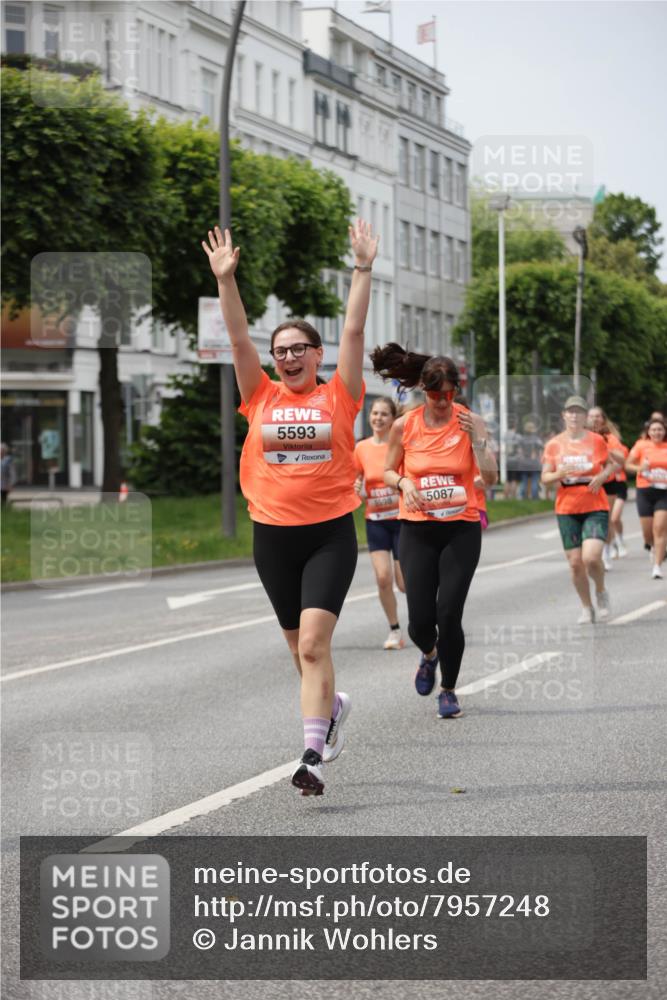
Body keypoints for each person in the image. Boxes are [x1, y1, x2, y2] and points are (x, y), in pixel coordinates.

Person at [202, 220, 378, 796]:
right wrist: (227, 281)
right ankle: (332, 707)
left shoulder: (340, 395)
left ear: (316, 354)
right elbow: (237, 341)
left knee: (312, 644)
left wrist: (362, 269)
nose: (287, 358)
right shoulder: (261, 395)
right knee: (298, 653)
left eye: (298, 348)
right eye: (280, 351)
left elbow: (354, 329)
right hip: (272, 537)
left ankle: (312, 755)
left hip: (328, 534)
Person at [371, 344, 497, 719]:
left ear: (456, 391)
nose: (442, 402)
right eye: (435, 394)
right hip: (417, 527)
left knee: (449, 613)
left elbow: (489, 478)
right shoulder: (404, 425)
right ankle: (429, 654)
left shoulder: (470, 421)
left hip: (461, 527)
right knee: (420, 621)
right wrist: (403, 484)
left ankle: (449, 689)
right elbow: (388, 470)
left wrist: (478, 440)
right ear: (423, 391)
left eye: (449, 394)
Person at [541, 396, 616, 623]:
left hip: (595, 503)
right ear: (564, 415)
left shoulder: (596, 440)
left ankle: (601, 591)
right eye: (570, 412)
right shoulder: (554, 444)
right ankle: (586, 607)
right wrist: (558, 474)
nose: (574, 416)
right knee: (575, 563)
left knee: (592, 558)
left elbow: (612, 464)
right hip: (567, 507)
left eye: (579, 412)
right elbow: (545, 478)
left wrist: (602, 476)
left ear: (585, 417)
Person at [353, 397, 406, 649]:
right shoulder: (361, 448)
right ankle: (394, 630)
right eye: (374, 413)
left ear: (393, 419)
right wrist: (355, 488)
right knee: (383, 578)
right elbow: (355, 481)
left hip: (401, 520)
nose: (378, 418)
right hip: (375, 521)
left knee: (405, 583)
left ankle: (428, 619)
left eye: (384, 414)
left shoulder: (399, 446)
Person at [626, 415, 667, 579]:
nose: (657, 432)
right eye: (654, 430)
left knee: (660, 529)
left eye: (660, 430)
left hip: (664, 492)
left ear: (664, 432)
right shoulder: (641, 446)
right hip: (645, 490)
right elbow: (627, 464)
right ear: (648, 432)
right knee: (647, 532)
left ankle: (657, 566)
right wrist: (639, 468)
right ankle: (651, 546)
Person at [587, 406, 628, 567]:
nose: (594, 419)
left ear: (603, 419)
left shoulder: (609, 437)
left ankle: (606, 551)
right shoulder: (581, 437)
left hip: (608, 482)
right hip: (587, 483)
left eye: (598, 416)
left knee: (606, 518)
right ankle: (593, 550)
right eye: (591, 416)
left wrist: (606, 449)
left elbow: (622, 458)